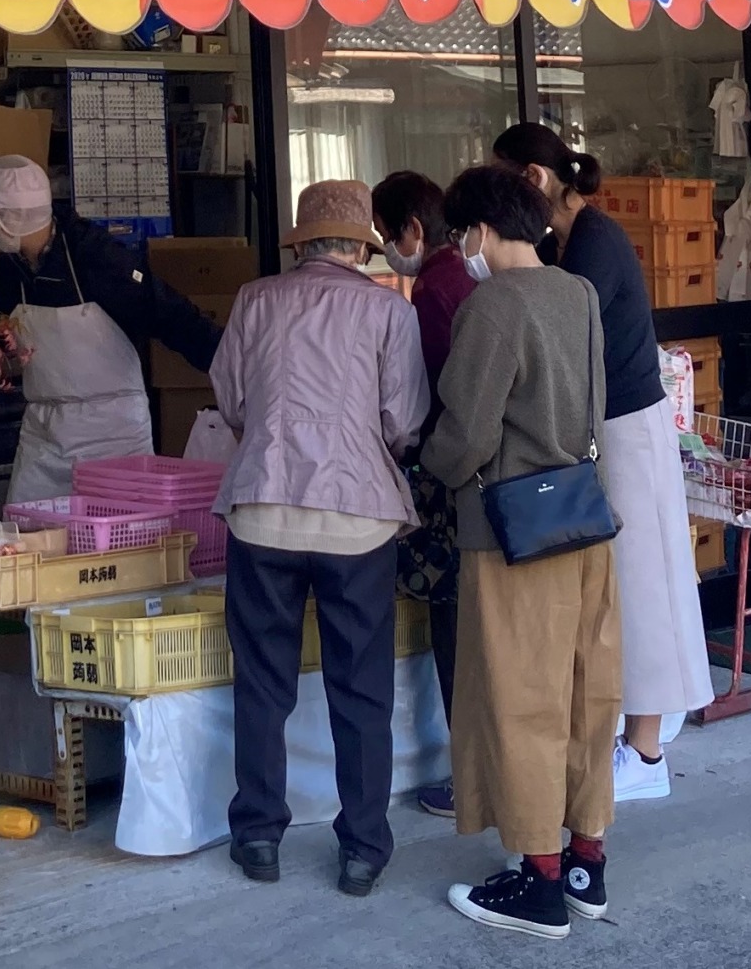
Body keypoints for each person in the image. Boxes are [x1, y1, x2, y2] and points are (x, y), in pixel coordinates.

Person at [210, 180, 427, 897]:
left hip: (263, 510)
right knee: (360, 688)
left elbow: (231, 401)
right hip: (356, 518)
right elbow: (403, 422)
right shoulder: (387, 310)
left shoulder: (254, 300)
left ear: (302, 242)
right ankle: (363, 847)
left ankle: (259, 833)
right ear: (363, 245)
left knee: (263, 681)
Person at [422, 165, 622, 939]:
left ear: (476, 231)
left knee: (521, 698)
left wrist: (431, 466)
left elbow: (466, 430)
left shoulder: (490, 305)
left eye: (459, 234)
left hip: (511, 528)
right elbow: (595, 403)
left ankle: (537, 880)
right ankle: (584, 862)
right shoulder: (578, 293)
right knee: (586, 690)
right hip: (585, 516)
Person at [494, 122, 714, 804]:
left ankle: (645, 749)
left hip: (629, 426)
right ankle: (630, 741)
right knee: (623, 585)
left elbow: (561, 330)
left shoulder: (594, 241)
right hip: (608, 426)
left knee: (647, 585)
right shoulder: (573, 239)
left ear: (535, 179)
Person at [0, 153, 223, 501]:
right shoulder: (6, 271)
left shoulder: (96, 255)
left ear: (11, 218)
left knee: (115, 541)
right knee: (29, 536)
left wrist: (227, 365)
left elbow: (166, 313)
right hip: (45, 433)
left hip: (112, 430)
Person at [376, 169, 469, 820]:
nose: (386, 247)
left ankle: (469, 771)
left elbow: (429, 397)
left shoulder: (434, 288)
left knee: (451, 616)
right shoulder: (468, 276)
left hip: (450, 476)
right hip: (486, 476)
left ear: (413, 228)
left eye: (386, 234)